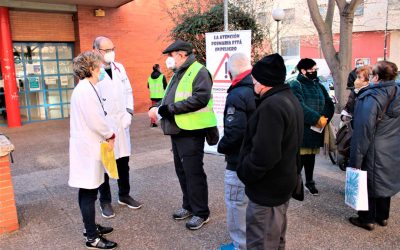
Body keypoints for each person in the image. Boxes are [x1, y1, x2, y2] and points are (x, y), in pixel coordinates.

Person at [148, 39, 217, 230]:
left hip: (192, 131)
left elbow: (200, 99)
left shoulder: (199, 71)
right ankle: (188, 206)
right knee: (182, 171)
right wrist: (158, 108)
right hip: (179, 130)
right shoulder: (179, 72)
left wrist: (167, 110)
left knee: (193, 172)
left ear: (181, 55)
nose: (168, 60)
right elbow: (169, 98)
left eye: (171, 55)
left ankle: (201, 212)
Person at [236, 54, 304, 249]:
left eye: (254, 79)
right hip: (281, 185)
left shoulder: (272, 106)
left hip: (268, 191)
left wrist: (245, 173)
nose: (252, 82)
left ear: (264, 82)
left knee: (262, 242)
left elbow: (265, 155)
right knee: (275, 239)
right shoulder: (288, 98)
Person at [69, 51, 117, 249]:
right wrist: (110, 134)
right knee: (89, 192)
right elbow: (96, 120)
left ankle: (89, 226)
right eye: (98, 65)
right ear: (91, 68)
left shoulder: (87, 87)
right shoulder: (86, 91)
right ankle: (92, 237)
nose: (102, 68)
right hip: (88, 149)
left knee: (89, 190)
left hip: (88, 148)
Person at [93, 36, 142, 219]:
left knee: (123, 162)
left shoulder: (119, 67)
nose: (110, 53)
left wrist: (129, 113)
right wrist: (101, 126)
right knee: (104, 164)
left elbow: (128, 91)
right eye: (106, 50)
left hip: (122, 123)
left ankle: (124, 195)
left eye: (112, 48)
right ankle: (104, 201)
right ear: (96, 50)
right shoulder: (92, 71)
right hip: (104, 126)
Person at [348, 61, 400, 231]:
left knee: (367, 181)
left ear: (376, 77)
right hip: (393, 145)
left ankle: (367, 219)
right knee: (384, 179)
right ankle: (382, 216)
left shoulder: (371, 96)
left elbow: (362, 130)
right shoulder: (397, 92)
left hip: (373, 146)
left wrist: (355, 160)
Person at [217, 53, 256, 250]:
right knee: (250, 204)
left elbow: (235, 132)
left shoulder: (237, 93)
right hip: (255, 158)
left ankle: (240, 245)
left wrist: (220, 146)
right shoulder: (258, 89)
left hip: (238, 160)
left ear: (230, 70)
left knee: (236, 203)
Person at [290, 58, 334, 196]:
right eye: (312, 69)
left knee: (311, 157)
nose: (314, 72)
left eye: (316, 69)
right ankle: (294, 184)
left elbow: (329, 103)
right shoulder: (295, 84)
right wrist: (316, 118)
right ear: (303, 71)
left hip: (317, 128)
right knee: (300, 159)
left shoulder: (318, 85)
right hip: (303, 128)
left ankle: (310, 182)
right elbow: (299, 105)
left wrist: (325, 119)